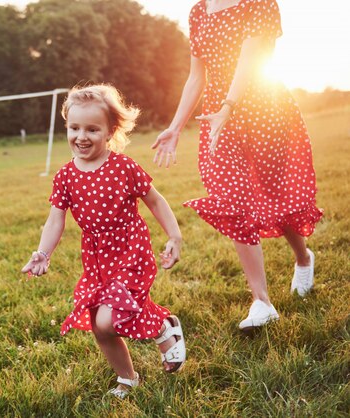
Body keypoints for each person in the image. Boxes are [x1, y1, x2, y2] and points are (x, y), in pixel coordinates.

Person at [152, 0, 323, 332]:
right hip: (218, 121)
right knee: (232, 201)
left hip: (264, 110)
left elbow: (250, 59)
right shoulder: (198, 11)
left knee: (277, 201)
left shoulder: (258, 3)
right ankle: (262, 301)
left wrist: (229, 105)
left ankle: (303, 258)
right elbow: (196, 76)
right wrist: (175, 125)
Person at [21, 84, 186, 399]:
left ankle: (164, 328)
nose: (81, 136)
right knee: (99, 326)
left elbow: (155, 200)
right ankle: (128, 378)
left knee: (109, 319)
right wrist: (43, 252)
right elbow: (55, 219)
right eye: (74, 128)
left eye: (92, 129)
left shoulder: (122, 167)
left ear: (110, 132)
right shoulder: (65, 177)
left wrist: (174, 235)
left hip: (129, 249)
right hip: (96, 258)